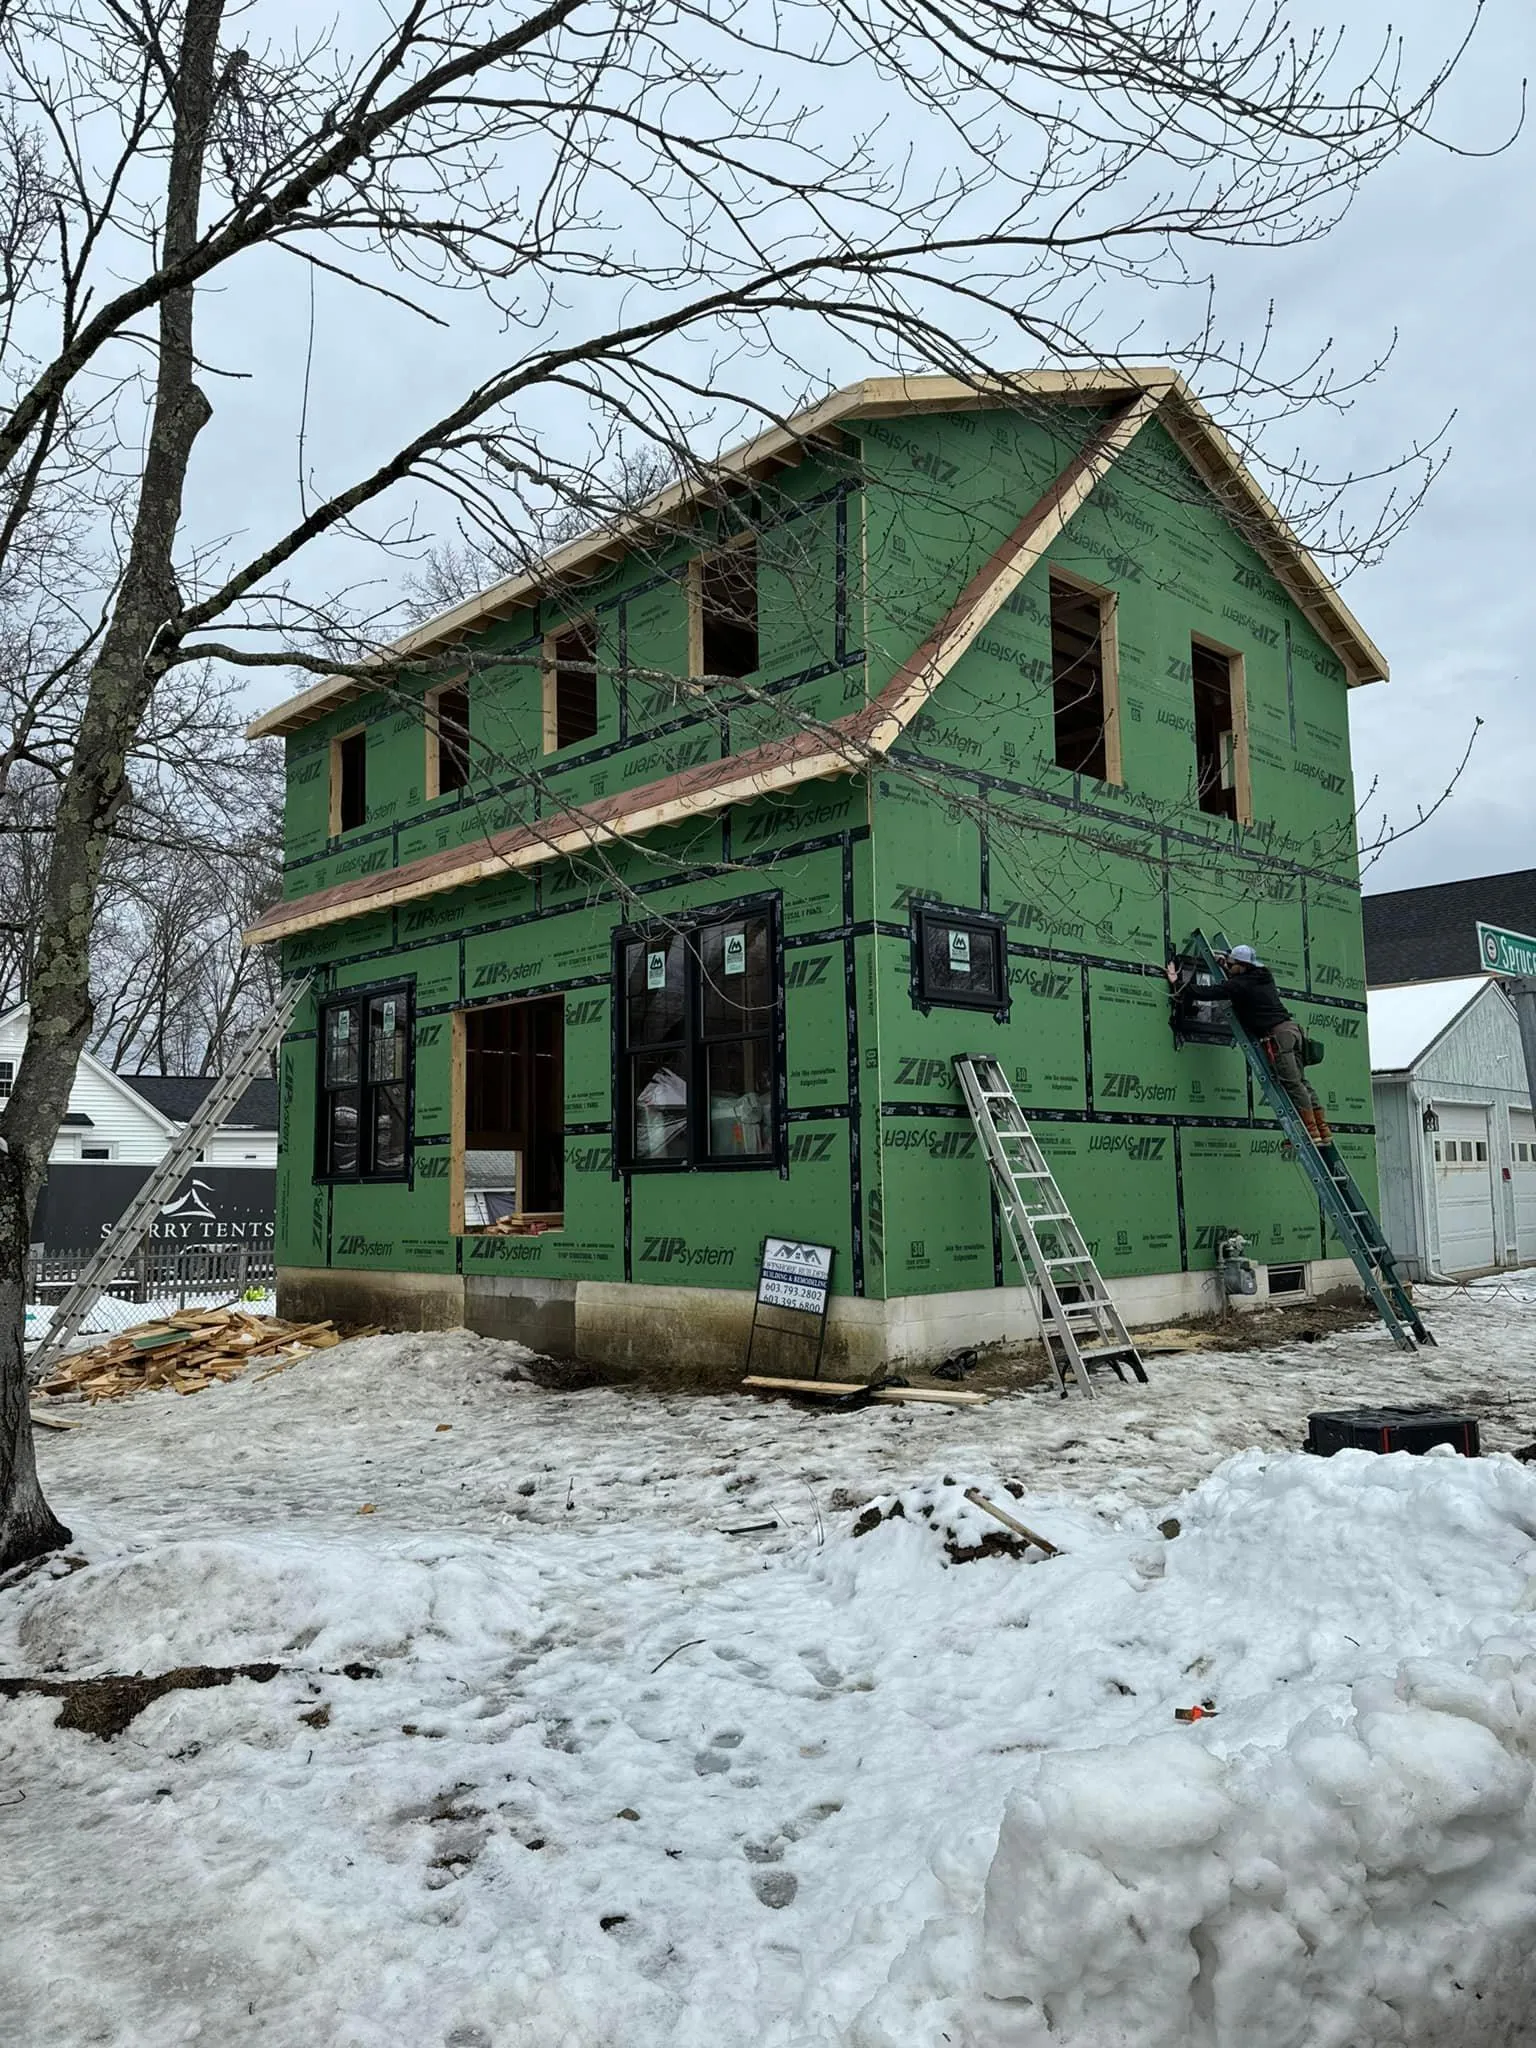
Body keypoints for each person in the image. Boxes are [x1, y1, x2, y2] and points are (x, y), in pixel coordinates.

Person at [1165, 945, 1334, 1148]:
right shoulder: (1263, 977)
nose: (1228, 965)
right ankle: (1322, 1130)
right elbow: (1240, 981)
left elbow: (1210, 992)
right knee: (1301, 1082)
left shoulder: (1241, 985)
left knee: (1292, 1085)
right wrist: (1226, 965)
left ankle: (1310, 1133)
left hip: (1279, 1037)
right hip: (1293, 1032)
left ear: (1242, 966)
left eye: (1231, 964)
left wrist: (1178, 983)